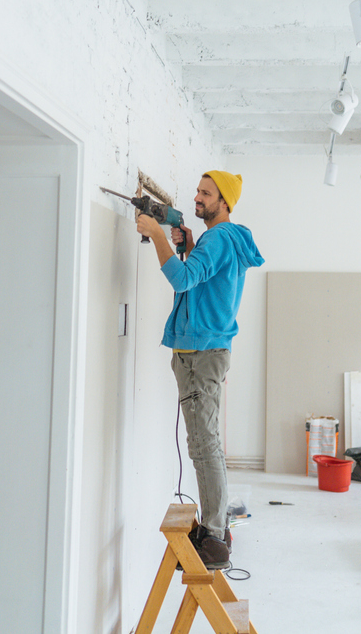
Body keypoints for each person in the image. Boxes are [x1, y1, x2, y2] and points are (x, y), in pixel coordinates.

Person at [136, 171, 264, 570]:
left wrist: (156, 234)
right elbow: (201, 284)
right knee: (204, 443)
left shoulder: (220, 238)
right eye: (197, 191)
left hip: (202, 353)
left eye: (206, 193)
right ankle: (215, 527)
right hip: (207, 349)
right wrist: (187, 244)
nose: (198, 197)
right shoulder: (221, 240)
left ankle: (213, 539)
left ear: (225, 202)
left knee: (205, 445)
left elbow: (183, 278)